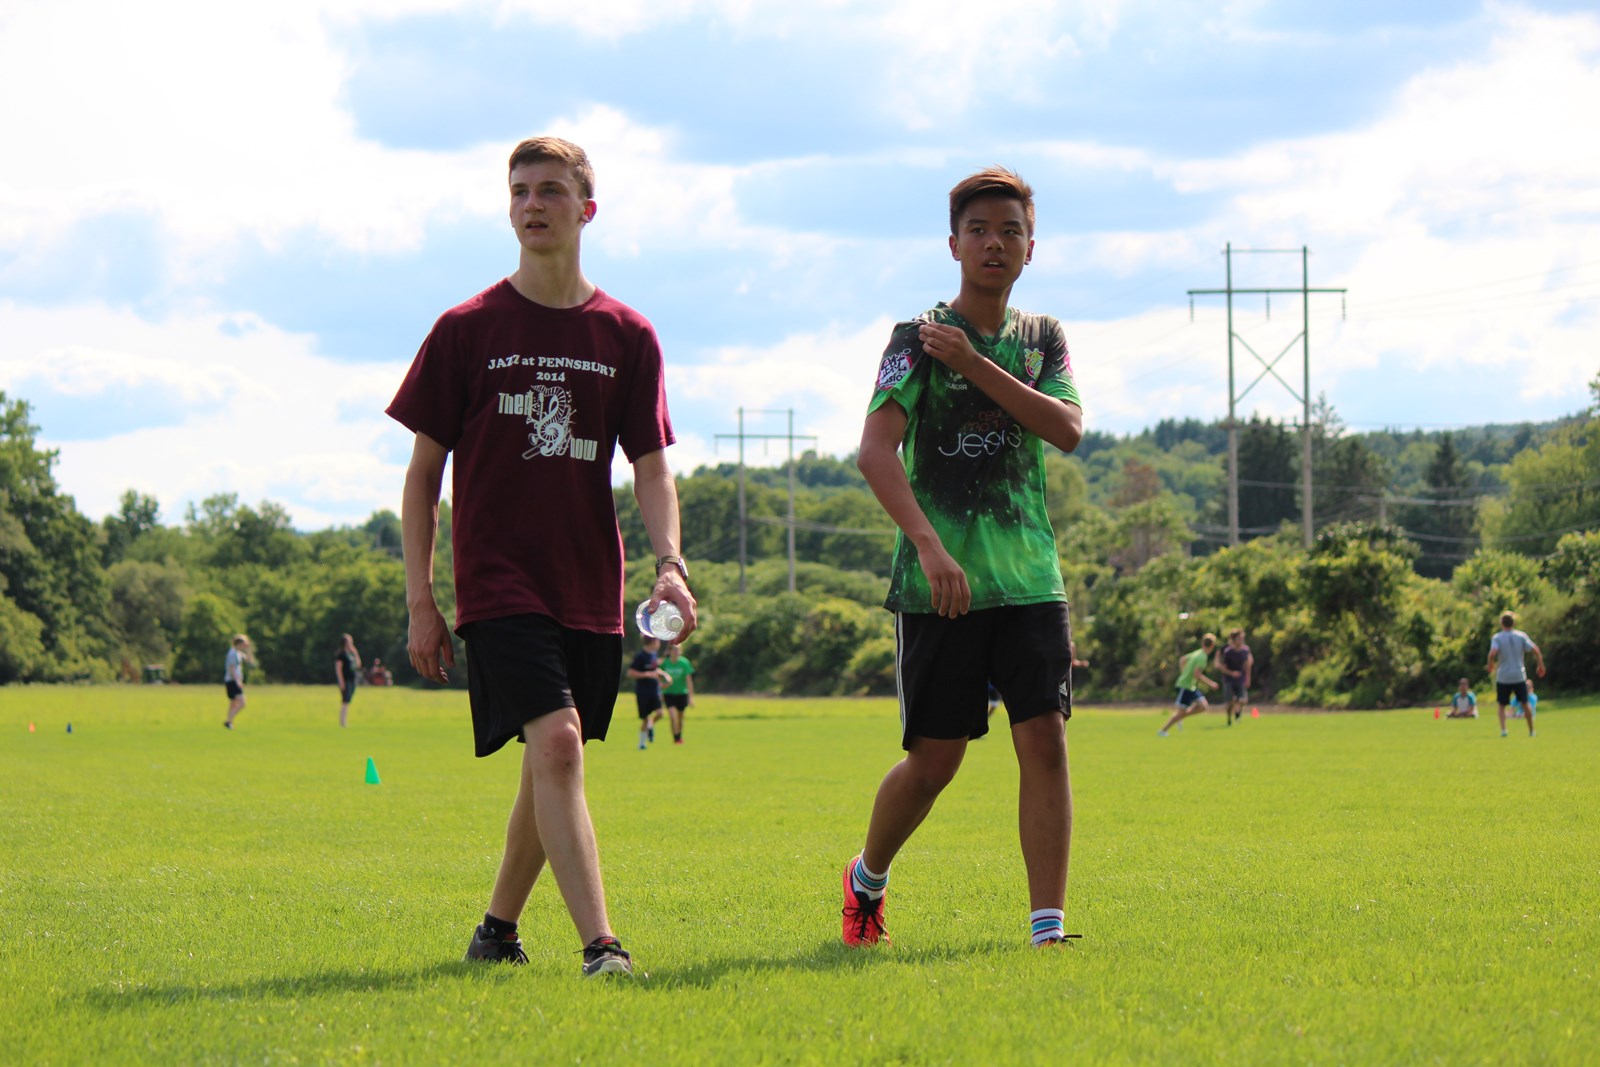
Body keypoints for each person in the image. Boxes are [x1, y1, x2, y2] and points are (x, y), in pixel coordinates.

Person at [387, 135, 696, 979]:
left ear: (586, 210)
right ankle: (602, 945)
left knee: (548, 756)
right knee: (558, 743)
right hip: (498, 582)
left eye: (551, 190)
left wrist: (670, 562)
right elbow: (421, 477)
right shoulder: (465, 329)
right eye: (520, 190)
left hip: (589, 584)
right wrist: (422, 598)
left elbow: (652, 466)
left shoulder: (627, 335)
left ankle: (496, 930)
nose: (533, 204)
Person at [842, 166, 1084, 950]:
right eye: (978, 230)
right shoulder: (916, 339)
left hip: (1029, 578)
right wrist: (928, 545)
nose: (994, 244)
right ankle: (867, 877)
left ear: (1031, 247)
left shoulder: (1041, 338)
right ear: (953, 244)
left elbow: (1066, 429)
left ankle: (1047, 930)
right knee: (935, 763)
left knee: (1044, 740)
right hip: (939, 583)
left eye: (1010, 231)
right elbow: (875, 452)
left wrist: (976, 364)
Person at [1486, 610, 1545, 738]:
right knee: (1524, 702)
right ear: (1513, 623)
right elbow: (1535, 649)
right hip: (1519, 674)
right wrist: (1540, 665)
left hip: (1504, 676)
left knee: (1502, 704)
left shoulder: (1497, 637)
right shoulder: (1521, 636)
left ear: (1502, 623)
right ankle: (1531, 731)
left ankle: (1504, 730)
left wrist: (1490, 664)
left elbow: (1493, 652)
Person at [1158, 634, 1219, 737]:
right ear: (1212, 645)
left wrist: (1184, 672)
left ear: (1203, 643)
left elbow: (1182, 659)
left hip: (1191, 686)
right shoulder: (1202, 656)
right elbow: (1197, 674)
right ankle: (1162, 731)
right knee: (1181, 712)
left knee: (1203, 706)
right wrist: (1211, 683)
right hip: (1185, 686)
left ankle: (1180, 717)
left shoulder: (1198, 652)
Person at [627, 636, 668, 749]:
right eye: (658, 640)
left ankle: (650, 725)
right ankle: (642, 743)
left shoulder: (654, 655)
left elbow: (655, 669)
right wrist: (647, 674)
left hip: (654, 691)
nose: (659, 643)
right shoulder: (640, 656)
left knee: (660, 713)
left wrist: (663, 674)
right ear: (653, 641)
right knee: (645, 718)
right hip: (642, 692)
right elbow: (630, 673)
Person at [659, 640, 695, 744]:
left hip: (682, 693)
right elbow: (659, 677)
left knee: (680, 718)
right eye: (674, 650)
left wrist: (691, 697)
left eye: (678, 650)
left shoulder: (684, 663)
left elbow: (689, 681)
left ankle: (679, 736)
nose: (676, 652)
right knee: (672, 716)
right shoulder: (665, 663)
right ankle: (675, 738)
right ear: (670, 651)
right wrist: (660, 690)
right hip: (668, 693)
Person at [1215, 629, 1253, 725]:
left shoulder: (1245, 651)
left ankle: (1237, 713)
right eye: (1239, 638)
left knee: (1243, 700)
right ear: (1234, 639)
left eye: (1242, 638)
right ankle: (1229, 718)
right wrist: (1232, 673)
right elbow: (1222, 667)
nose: (1241, 640)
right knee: (1229, 702)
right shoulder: (1228, 652)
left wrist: (1248, 678)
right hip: (1229, 679)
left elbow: (1247, 665)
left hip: (1240, 678)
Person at [222, 634, 254, 729]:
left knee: (234, 702)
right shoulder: (232, 653)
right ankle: (228, 721)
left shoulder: (238, 653)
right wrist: (238, 681)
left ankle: (229, 722)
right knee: (242, 703)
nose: (245, 645)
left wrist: (248, 651)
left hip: (233, 681)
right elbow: (231, 668)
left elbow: (249, 661)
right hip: (232, 681)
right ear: (239, 643)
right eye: (244, 643)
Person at [334, 633, 361, 728]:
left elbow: (358, 664)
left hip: (352, 679)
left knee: (348, 700)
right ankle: (342, 721)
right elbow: (338, 669)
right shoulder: (341, 654)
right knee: (345, 700)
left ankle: (344, 720)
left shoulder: (351, 654)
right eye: (349, 641)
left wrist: (356, 653)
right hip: (345, 680)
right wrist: (341, 682)